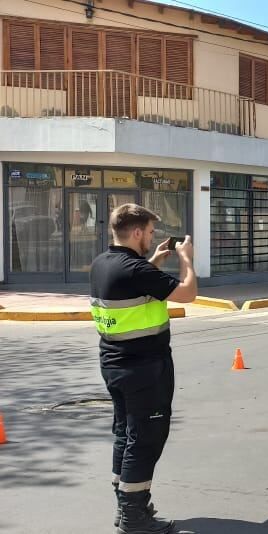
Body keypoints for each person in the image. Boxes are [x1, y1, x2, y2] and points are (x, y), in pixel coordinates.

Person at [90, 204, 197, 534]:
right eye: (150, 232)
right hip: (145, 371)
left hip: (114, 366)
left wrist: (155, 261)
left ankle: (125, 510)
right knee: (146, 440)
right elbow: (189, 293)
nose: (152, 238)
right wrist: (186, 258)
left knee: (126, 434)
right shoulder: (137, 271)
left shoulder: (102, 264)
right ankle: (134, 518)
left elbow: (131, 286)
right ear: (136, 232)